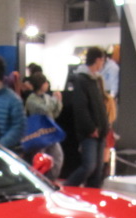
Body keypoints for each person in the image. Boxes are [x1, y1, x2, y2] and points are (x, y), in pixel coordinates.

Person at [64, 47, 110, 188]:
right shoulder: (82, 80)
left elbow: (99, 105)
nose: (103, 64)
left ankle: (93, 195)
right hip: (90, 132)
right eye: (102, 60)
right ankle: (67, 187)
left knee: (97, 170)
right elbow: (81, 107)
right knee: (89, 166)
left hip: (100, 131)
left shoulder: (95, 80)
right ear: (98, 60)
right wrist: (90, 128)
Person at [25, 72, 64, 180]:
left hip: (51, 131)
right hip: (39, 133)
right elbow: (45, 110)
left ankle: (51, 179)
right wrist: (55, 100)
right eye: (45, 82)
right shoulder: (31, 99)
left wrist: (58, 101)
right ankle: (38, 179)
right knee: (39, 159)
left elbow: (54, 113)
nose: (47, 84)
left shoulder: (47, 97)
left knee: (58, 156)